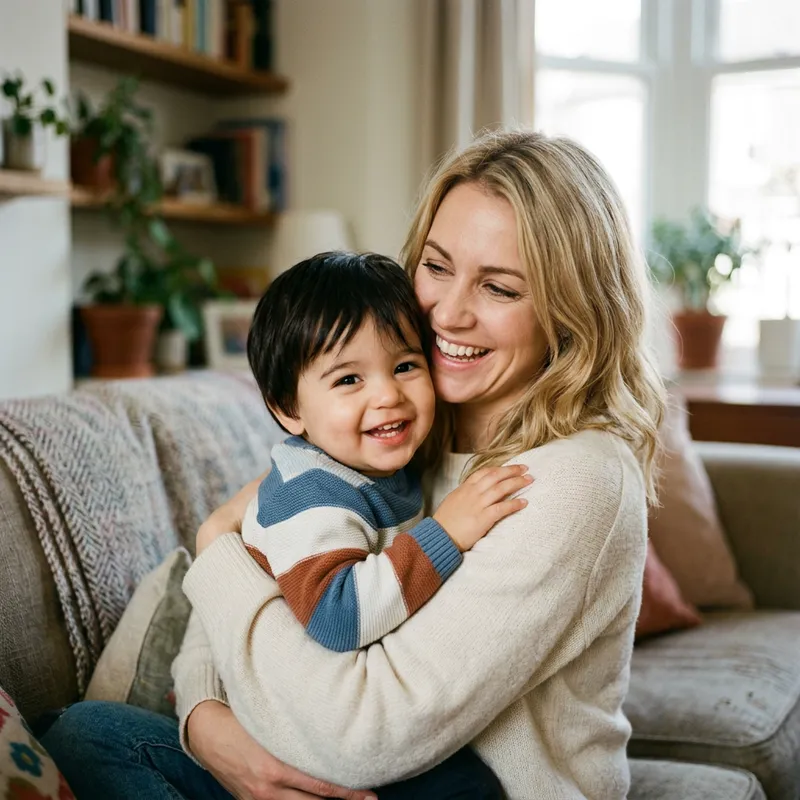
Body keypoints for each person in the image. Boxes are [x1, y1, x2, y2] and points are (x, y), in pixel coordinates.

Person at [41, 128, 665, 800]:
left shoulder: (570, 479)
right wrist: (208, 723)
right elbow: (235, 598)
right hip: (313, 751)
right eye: (436, 266)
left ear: (573, 309)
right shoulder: (391, 425)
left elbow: (362, 734)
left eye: (500, 288)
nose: (449, 314)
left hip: (453, 784)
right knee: (82, 733)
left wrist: (215, 548)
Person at [241, 251, 530, 659]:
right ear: (289, 409)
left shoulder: (374, 466)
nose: (388, 395)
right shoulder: (312, 495)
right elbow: (339, 619)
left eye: (404, 366)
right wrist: (445, 533)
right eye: (348, 379)